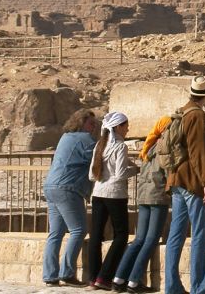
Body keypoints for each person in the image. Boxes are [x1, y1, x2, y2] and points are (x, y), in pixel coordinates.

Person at [160, 77, 205, 294]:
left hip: (176, 179)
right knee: (200, 235)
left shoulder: (182, 111)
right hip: (192, 183)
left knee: (175, 235)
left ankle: (172, 286)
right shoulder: (197, 115)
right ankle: (199, 287)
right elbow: (198, 153)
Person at [111, 115, 172, 292]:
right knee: (151, 239)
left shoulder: (149, 146)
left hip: (144, 196)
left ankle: (119, 278)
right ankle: (134, 281)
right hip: (157, 196)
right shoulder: (165, 146)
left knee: (139, 239)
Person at [43, 108, 100, 287]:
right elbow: (99, 157)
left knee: (56, 233)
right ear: (81, 122)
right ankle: (67, 273)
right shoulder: (85, 140)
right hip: (67, 187)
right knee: (78, 230)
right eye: (91, 124)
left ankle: (50, 275)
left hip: (51, 185)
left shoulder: (65, 137)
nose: (93, 127)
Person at [87, 111, 136, 290]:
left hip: (98, 193)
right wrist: (136, 170)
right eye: (125, 125)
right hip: (115, 194)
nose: (128, 129)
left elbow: (92, 175)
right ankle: (105, 277)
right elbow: (121, 174)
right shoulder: (121, 147)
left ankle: (93, 277)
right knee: (121, 235)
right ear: (117, 127)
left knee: (96, 236)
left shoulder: (100, 144)